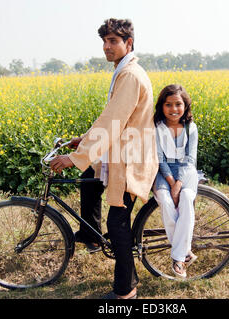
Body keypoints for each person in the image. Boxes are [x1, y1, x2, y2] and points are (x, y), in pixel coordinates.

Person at [50, 18, 158, 299]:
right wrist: (83, 141)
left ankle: (127, 290)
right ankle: (91, 236)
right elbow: (109, 116)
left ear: (128, 44)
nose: (106, 47)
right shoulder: (123, 72)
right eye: (104, 41)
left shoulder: (131, 76)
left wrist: (75, 157)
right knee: (89, 179)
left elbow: (112, 122)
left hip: (131, 157)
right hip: (119, 150)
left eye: (113, 41)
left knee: (117, 223)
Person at [152, 84, 199, 278]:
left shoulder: (191, 128)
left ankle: (178, 257)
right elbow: (159, 158)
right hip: (163, 172)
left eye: (178, 104)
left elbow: (190, 159)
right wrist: (171, 183)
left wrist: (179, 182)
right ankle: (184, 253)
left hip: (186, 171)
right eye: (168, 104)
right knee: (165, 199)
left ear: (185, 106)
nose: (174, 109)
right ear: (161, 107)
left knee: (186, 197)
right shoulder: (157, 127)